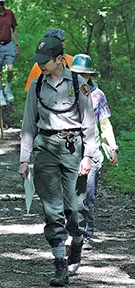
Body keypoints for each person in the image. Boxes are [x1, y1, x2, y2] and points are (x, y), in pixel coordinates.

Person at [19, 37, 95, 286]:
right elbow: (28, 124)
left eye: (45, 61)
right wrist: (24, 159)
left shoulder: (78, 84)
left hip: (73, 149)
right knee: (52, 209)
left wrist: (87, 156)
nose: (40, 64)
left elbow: (90, 123)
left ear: (58, 59)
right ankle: (59, 263)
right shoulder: (37, 85)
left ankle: (77, 241)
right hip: (45, 148)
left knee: (75, 208)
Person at [70, 54, 119, 249]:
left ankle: (85, 234)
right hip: (68, 150)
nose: (82, 77)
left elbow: (105, 123)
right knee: (70, 194)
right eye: (78, 74)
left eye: (85, 74)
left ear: (90, 75)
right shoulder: (65, 91)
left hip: (93, 151)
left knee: (88, 194)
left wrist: (112, 147)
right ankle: (71, 231)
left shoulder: (98, 95)